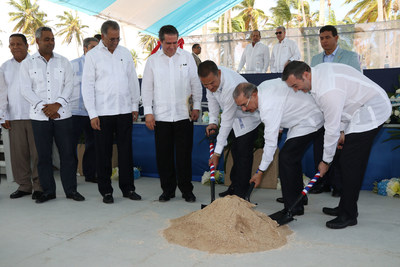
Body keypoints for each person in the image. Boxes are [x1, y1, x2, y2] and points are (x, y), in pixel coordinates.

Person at [282, 61, 391, 229]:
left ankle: (348, 215)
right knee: (345, 160)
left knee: (351, 163)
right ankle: (344, 206)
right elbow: (340, 109)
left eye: (296, 85)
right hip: (357, 110)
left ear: (305, 74)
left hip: (372, 109)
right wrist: (342, 131)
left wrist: (325, 161)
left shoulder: (327, 90)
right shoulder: (318, 76)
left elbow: (330, 128)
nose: (296, 90)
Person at [233, 80, 324, 219]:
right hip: (298, 119)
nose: (244, 109)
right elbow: (284, 100)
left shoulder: (267, 105)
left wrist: (260, 171)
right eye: (240, 107)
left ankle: (292, 207)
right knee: (291, 157)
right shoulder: (263, 88)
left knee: (287, 157)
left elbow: (270, 143)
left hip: (309, 119)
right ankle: (298, 198)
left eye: (244, 105)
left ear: (254, 94)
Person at [20, 27, 84, 203]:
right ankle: (48, 191)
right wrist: (44, 108)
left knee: (68, 155)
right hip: (39, 117)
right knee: (43, 156)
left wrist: (57, 105)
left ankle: (71, 190)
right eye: (47, 39)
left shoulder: (64, 62)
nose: (51, 42)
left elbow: (69, 85)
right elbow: (25, 89)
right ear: (37, 41)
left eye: (52, 39)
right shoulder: (28, 63)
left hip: (63, 115)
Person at [82, 20, 141, 204]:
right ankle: (106, 191)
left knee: (126, 152)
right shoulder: (92, 56)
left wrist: (134, 106)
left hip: (124, 111)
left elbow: (132, 81)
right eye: (112, 39)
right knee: (103, 153)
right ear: (103, 36)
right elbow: (87, 86)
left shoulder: (125, 53)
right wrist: (92, 114)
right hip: (103, 113)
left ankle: (128, 188)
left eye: (118, 38)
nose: (116, 42)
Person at [141, 25, 202, 203]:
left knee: (184, 155)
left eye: (175, 42)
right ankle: (167, 190)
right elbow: (147, 89)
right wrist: (148, 113)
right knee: (164, 156)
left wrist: (197, 106)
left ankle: (186, 189)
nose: (172, 46)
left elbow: (195, 84)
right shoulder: (152, 61)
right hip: (162, 117)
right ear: (161, 41)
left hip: (184, 115)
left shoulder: (187, 58)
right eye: (168, 43)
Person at [310, 25, 361, 196]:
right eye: (321, 38)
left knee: (339, 148)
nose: (324, 41)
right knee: (320, 147)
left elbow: (357, 81)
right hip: (322, 110)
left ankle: (339, 186)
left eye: (327, 37)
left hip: (343, 110)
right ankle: (321, 182)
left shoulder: (350, 56)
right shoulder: (316, 60)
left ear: (336, 38)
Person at [198, 60, 261, 198]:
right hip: (234, 120)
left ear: (219, 73)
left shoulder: (231, 86)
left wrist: (217, 153)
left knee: (243, 157)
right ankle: (234, 187)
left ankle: (241, 195)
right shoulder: (210, 79)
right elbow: (212, 102)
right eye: (205, 85)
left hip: (248, 119)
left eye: (212, 83)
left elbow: (226, 120)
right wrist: (213, 122)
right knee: (235, 153)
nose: (209, 87)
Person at [1, 33, 42, 200]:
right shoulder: (4, 67)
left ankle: (39, 186)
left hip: (36, 115)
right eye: (12, 44)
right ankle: (24, 186)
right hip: (15, 116)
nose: (15, 47)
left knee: (38, 152)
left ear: (27, 46)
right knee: (19, 154)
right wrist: (3, 116)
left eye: (19, 43)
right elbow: (2, 93)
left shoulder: (37, 64)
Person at [70, 37, 99, 183]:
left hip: (93, 112)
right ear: (85, 49)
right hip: (75, 111)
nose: (96, 50)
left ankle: (90, 174)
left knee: (93, 144)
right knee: (71, 145)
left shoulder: (100, 66)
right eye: (93, 47)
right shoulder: (73, 65)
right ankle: (71, 176)